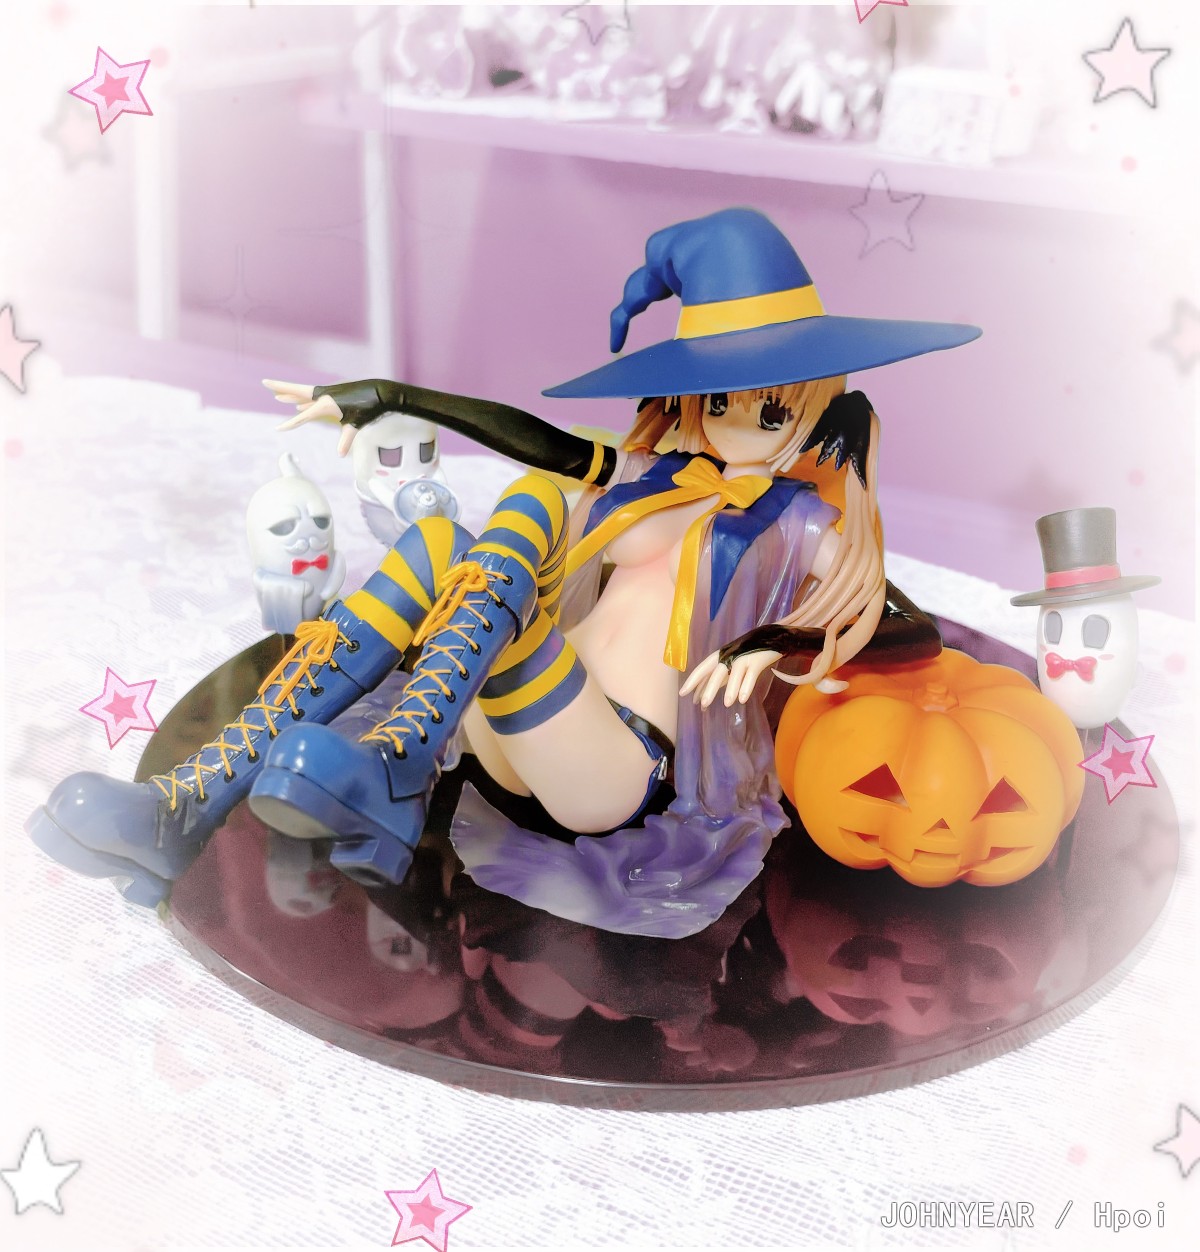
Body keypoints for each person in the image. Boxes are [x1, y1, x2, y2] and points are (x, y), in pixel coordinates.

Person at [27, 208, 978, 937]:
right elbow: (536, 438)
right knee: (480, 521)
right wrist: (389, 396)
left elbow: (903, 625)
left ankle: (391, 773)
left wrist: (773, 640)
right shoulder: (648, 474)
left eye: (769, 407)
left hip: (613, 764)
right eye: (717, 398)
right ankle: (186, 804)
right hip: (501, 719)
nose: (735, 424)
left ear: (816, 399)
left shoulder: (803, 524)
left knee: (515, 546)